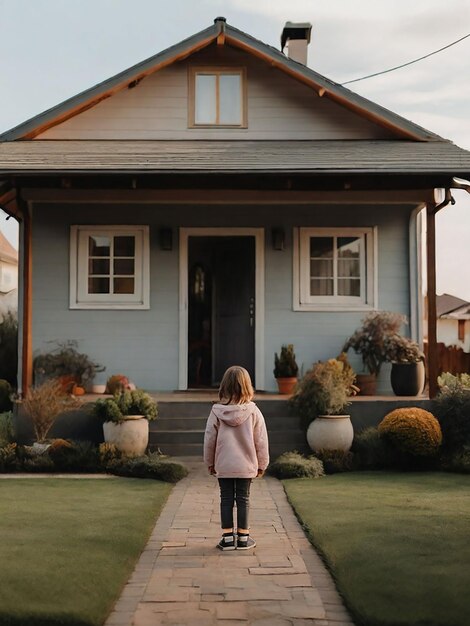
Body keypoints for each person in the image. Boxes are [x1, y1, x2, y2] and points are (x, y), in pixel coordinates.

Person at [203, 365, 269, 551]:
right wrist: (262, 464)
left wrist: (210, 462)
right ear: (247, 386)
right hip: (246, 465)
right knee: (243, 499)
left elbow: (209, 439)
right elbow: (261, 440)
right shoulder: (254, 412)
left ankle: (227, 539)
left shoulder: (216, 411)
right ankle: (243, 537)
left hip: (224, 465)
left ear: (224, 386)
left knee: (226, 499)